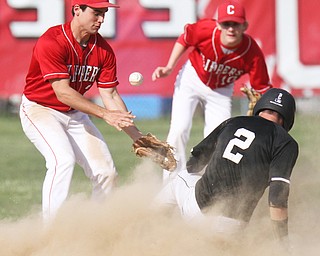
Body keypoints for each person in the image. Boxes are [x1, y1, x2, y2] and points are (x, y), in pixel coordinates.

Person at [19, 0, 143, 220]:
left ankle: (94, 233)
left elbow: (110, 95)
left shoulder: (102, 50)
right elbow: (62, 93)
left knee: (106, 173)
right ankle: (50, 236)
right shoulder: (52, 41)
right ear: (77, 9)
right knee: (62, 160)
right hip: (40, 110)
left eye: (104, 13)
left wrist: (138, 137)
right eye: (96, 13)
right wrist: (104, 114)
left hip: (74, 114)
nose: (102, 19)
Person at [154, 88, 298, 247]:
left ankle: (147, 228)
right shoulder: (286, 143)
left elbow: (194, 165)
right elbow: (277, 200)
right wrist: (284, 244)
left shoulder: (234, 122)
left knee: (180, 178)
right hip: (232, 229)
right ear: (288, 118)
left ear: (260, 106)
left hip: (199, 211)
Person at [152, 0, 272, 180]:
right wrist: (169, 66)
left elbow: (261, 88)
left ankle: (203, 184)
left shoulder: (252, 52)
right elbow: (184, 39)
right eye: (226, 23)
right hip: (191, 79)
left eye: (236, 24)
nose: (231, 28)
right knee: (178, 129)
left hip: (221, 91)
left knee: (218, 139)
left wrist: (264, 117)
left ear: (245, 25)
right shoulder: (206, 30)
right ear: (218, 24)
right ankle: (169, 184)